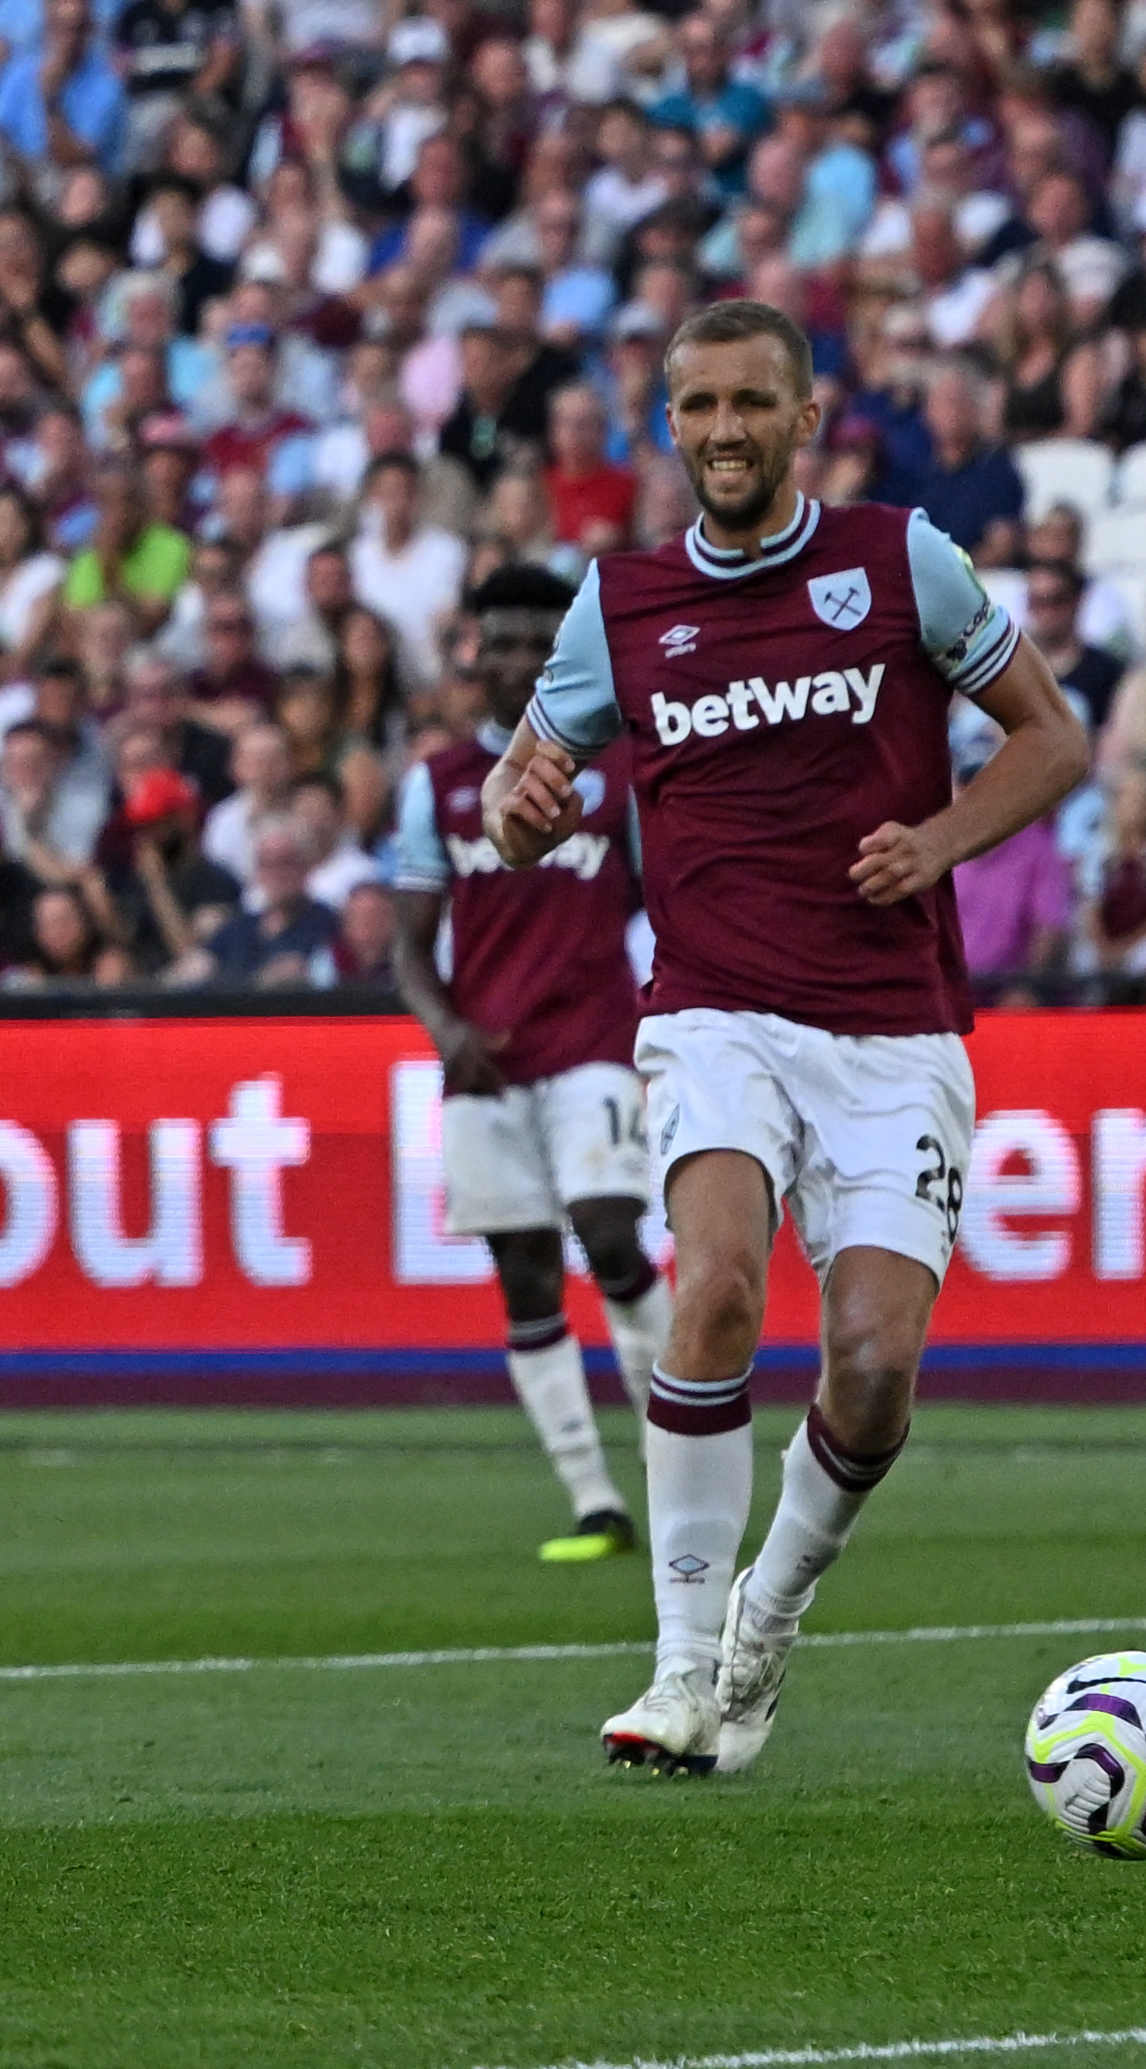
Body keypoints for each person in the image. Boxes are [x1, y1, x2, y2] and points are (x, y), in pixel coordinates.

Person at [489, 301, 1089, 1775]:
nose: (723, 432)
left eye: (751, 403)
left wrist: (939, 842)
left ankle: (767, 1619)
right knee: (714, 1294)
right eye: (696, 408)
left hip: (891, 1027)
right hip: (711, 1009)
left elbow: (1054, 738)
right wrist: (523, 814)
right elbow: (522, 789)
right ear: (670, 424)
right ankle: (682, 1668)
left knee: (874, 1366)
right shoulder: (617, 605)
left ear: (804, 416)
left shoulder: (901, 562)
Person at [390, 564, 674, 1565]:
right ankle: (595, 1499)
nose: (513, 659)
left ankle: (678, 1446)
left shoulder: (621, 770)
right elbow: (409, 936)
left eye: (533, 642)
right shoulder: (439, 782)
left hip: (592, 1043)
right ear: (474, 653)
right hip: (486, 1062)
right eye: (497, 641)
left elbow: (665, 895)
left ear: (565, 654)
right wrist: (443, 1026)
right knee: (524, 1274)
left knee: (611, 1233)